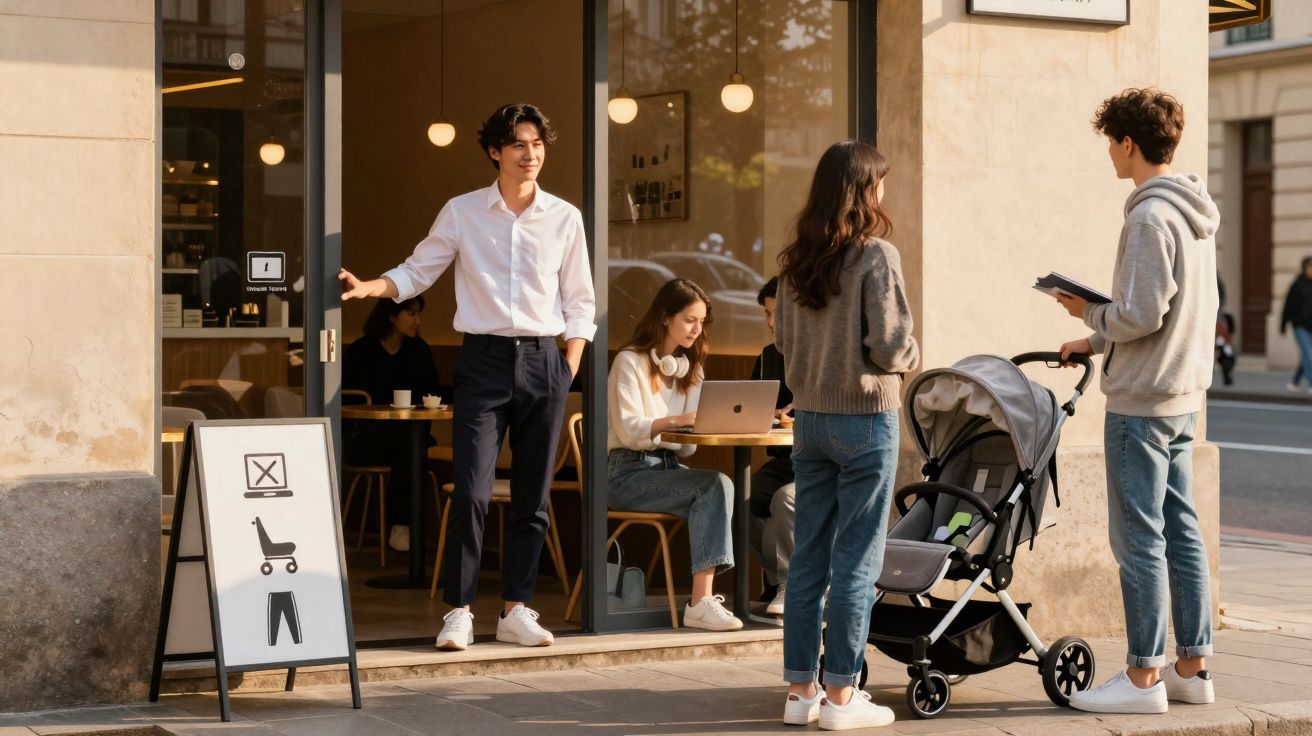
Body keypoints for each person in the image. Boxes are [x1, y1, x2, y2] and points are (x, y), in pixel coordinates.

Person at [340, 103, 596, 651]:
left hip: (544, 361)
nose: (531, 154)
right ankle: (458, 610)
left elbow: (580, 300)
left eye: (538, 144)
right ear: (495, 152)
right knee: (473, 492)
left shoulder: (564, 217)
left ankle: (516, 609)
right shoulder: (462, 212)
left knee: (532, 496)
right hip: (482, 361)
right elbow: (418, 270)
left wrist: (568, 365)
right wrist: (372, 287)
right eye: (519, 144)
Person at [1055, 88, 1219, 714]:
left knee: (1140, 541)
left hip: (1142, 404)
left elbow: (1142, 314)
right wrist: (1094, 338)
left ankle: (1143, 676)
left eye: (1111, 142)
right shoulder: (1194, 212)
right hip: (1182, 396)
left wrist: (1087, 311)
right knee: (1183, 533)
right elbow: (1169, 310)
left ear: (1129, 143)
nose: (1109, 154)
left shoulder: (1149, 216)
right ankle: (1192, 670)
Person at [774, 141, 919, 730]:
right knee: (857, 561)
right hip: (864, 418)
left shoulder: (795, 261)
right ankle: (841, 696)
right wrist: (911, 354)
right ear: (864, 189)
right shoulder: (876, 255)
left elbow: (782, 343)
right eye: (879, 181)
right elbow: (890, 345)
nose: (884, 190)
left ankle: (800, 693)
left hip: (809, 421)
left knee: (807, 558)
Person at [606, 278, 743, 631]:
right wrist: (675, 420)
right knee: (713, 486)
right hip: (624, 473)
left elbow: (687, 448)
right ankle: (700, 603)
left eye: (701, 322)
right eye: (689, 320)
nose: (696, 330)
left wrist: (699, 422)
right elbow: (629, 430)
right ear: (665, 318)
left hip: (666, 468)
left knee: (721, 485)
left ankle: (702, 600)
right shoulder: (629, 362)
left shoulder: (690, 369)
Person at [343, 296, 443, 552]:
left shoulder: (418, 350)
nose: (418, 321)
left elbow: (432, 390)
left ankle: (406, 527)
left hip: (410, 434)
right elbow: (347, 400)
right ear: (391, 315)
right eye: (411, 314)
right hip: (367, 437)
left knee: (411, 445)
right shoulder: (361, 352)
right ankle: (402, 525)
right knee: (408, 447)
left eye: (418, 314)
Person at [748, 276, 795, 616]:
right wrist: (773, 415)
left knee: (784, 499)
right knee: (739, 498)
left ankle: (793, 584)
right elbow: (750, 410)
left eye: (776, 313)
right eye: (767, 313)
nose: (770, 323)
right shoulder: (768, 357)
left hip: (824, 462)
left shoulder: (823, 357)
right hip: (786, 459)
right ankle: (779, 579)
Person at [1279, 256, 1312, 393]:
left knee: (1307, 355)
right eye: (1310, 267)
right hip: (1300, 325)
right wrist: (1283, 325)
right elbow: (1288, 306)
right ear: (1304, 268)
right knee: (1308, 354)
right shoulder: (1297, 285)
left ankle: (1295, 382)